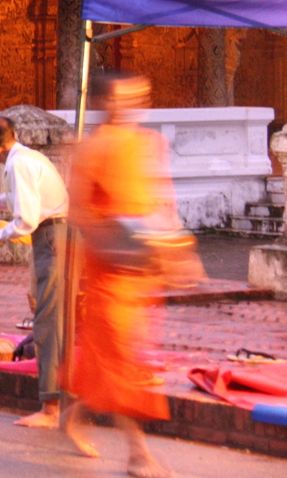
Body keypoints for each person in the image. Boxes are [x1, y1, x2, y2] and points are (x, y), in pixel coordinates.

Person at [63, 72, 174, 478]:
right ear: (106, 102)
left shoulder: (149, 143)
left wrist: (176, 250)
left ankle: (73, 417)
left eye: (142, 96)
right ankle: (138, 455)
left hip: (142, 269)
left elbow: (160, 199)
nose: (137, 103)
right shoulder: (91, 149)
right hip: (108, 267)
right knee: (120, 358)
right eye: (128, 97)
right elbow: (78, 211)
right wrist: (113, 244)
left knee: (118, 358)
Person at [0, 114, 68, 428]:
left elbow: (26, 219)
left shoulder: (16, 164)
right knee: (56, 315)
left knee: (47, 317)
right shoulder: (30, 157)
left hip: (50, 236)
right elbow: (29, 199)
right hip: (60, 234)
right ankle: (61, 397)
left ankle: (51, 407)